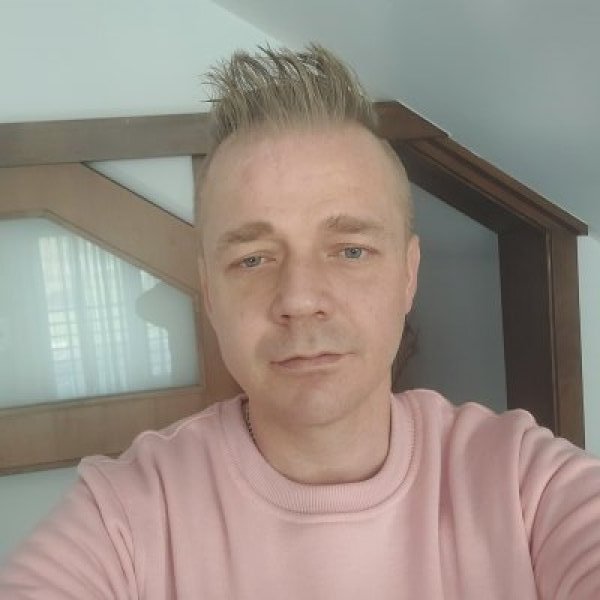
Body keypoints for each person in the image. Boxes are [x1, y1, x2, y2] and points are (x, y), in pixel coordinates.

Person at [1, 43, 599, 599]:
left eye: (350, 250)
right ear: (210, 293)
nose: (299, 298)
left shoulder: (524, 484)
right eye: (253, 259)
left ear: (408, 274)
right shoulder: (125, 515)